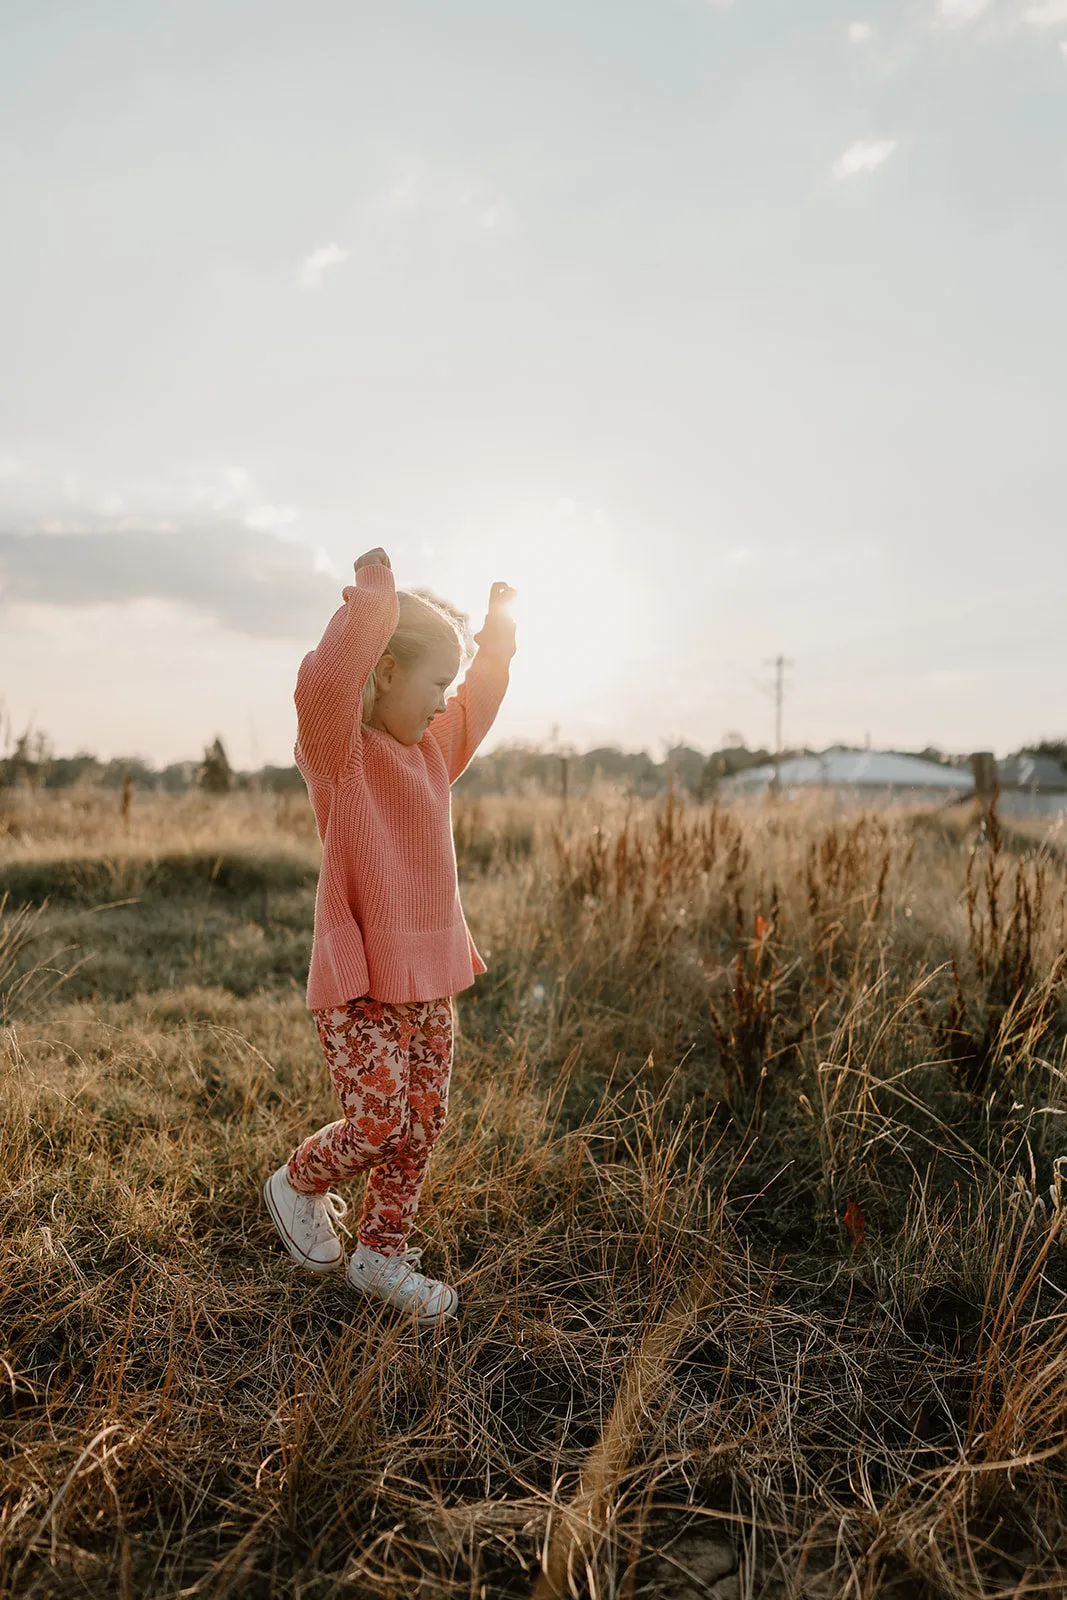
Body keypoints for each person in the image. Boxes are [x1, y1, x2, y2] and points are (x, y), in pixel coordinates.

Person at [263, 546, 516, 1326]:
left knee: (421, 1122)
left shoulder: (432, 752)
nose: (443, 703)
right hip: (362, 980)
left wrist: (498, 635)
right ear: (384, 675)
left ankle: (380, 1252)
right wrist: (372, 604)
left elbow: (479, 699)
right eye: (431, 684)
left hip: (430, 981)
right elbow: (326, 683)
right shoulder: (340, 755)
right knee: (377, 1120)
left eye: (446, 686)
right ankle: (300, 1183)